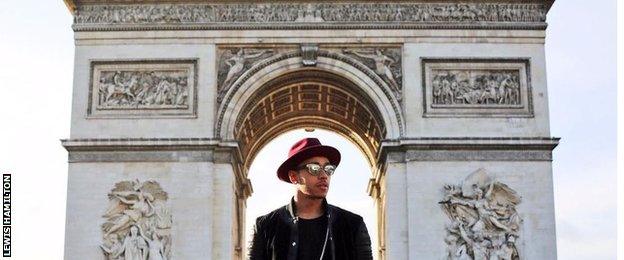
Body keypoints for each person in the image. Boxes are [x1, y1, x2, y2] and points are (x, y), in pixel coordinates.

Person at [248, 137, 373, 260]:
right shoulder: (265, 226)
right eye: (314, 168)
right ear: (293, 176)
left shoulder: (353, 225)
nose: (324, 175)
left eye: (328, 169)